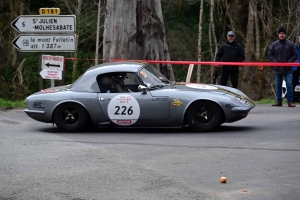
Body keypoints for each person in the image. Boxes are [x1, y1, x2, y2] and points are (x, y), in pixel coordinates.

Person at [268, 27, 298, 107]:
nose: (281, 35)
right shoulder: (274, 44)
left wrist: (289, 62)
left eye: (283, 33)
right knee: (278, 85)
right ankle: (279, 101)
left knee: (289, 84)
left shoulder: (291, 44)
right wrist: (275, 62)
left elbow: (295, 55)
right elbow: (270, 55)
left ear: (285, 35)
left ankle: (290, 101)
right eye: (280, 33)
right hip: (278, 68)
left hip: (288, 69)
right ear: (278, 35)